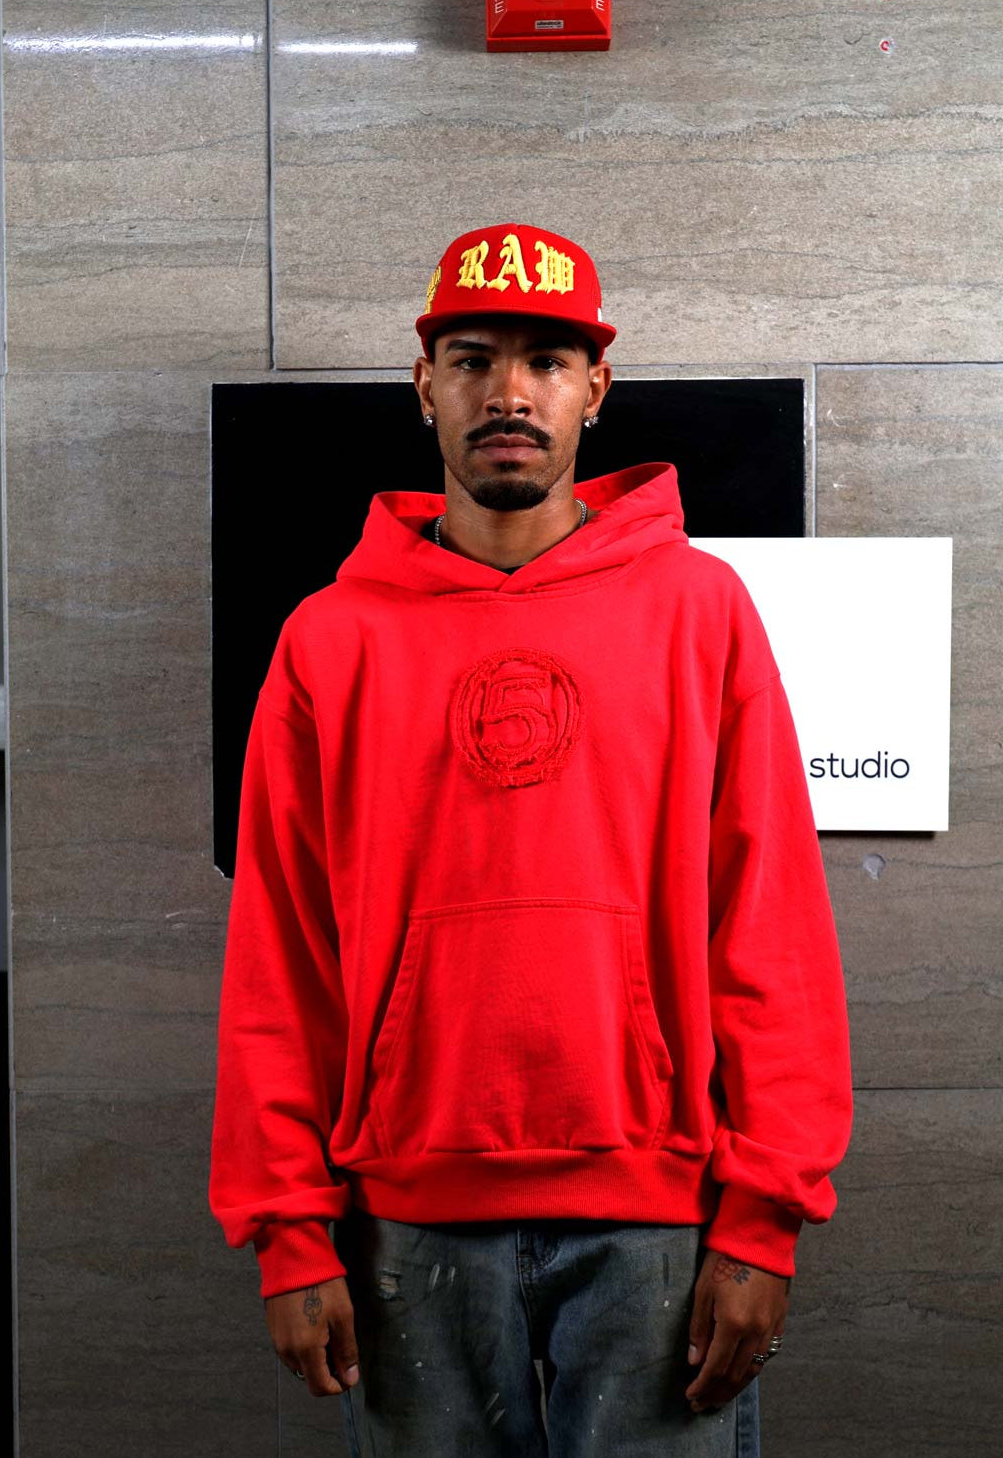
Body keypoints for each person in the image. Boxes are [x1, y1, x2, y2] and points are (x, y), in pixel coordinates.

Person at [208, 222, 854, 1456]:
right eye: (473, 359)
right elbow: (281, 955)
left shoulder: (700, 614)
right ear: (425, 385)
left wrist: (765, 1216)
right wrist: (289, 1226)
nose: (509, 392)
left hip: (661, 1213)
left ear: (596, 389)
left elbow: (768, 925)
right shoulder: (329, 641)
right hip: (404, 1223)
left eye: (547, 361)